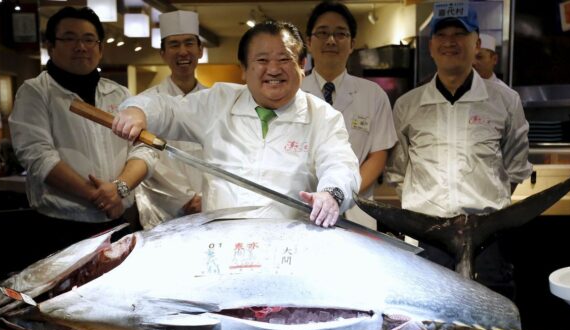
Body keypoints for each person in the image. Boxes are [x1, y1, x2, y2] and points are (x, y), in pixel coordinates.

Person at [112, 20, 361, 228]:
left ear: (302, 65)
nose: (273, 69)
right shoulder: (218, 101)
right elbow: (168, 109)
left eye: (285, 59)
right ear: (243, 68)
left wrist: (332, 194)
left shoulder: (323, 116)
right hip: (221, 243)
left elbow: (341, 165)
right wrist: (137, 110)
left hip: (288, 247)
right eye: (262, 60)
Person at [385, 3, 532, 295]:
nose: (450, 41)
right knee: (429, 322)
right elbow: (398, 171)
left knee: (489, 325)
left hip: (486, 235)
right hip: (428, 234)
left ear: (476, 43)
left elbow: (515, 166)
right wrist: (430, 208)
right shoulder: (407, 105)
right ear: (431, 46)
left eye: (459, 34)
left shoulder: (504, 100)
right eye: (442, 35)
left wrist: (484, 208)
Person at [9, 6, 156, 252]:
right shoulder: (35, 92)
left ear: (99, 47)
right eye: (69, 38)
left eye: (89, 39)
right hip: (60, 227)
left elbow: (144, 149)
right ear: (51, 46)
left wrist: (119, 189)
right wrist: (99, 197)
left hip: (117, 221)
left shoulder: (120, 93)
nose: (81, 47)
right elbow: (37, 155)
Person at [302, 1, 397, 230]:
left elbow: (378, 155)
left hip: (357, 207)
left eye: (340, 34)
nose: (331, 40)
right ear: (308, 41)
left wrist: (339, 195)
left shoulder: (373, 95)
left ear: (352, 43)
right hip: (301, 205)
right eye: (323, 33)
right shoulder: (293, 93)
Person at [135, 10, 205, 229]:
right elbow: (147, 157)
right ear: (163, 53)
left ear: (200, 50)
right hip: (164, 212)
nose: (183, 51)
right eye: (174, 45)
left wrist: (206, 196)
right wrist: (185, 199)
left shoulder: (214, 100)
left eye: (189, 43)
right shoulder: (145, 103)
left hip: (210, 208)